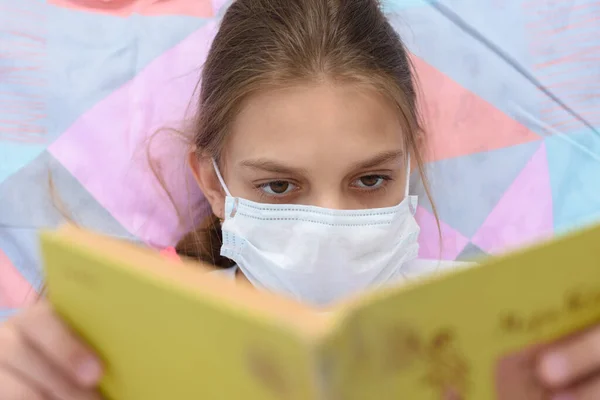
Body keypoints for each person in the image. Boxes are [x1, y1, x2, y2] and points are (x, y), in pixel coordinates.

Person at [0, 0, 598, 398]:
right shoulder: (123, 332)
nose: (329, 225)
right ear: (212, 182)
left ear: (411, 162)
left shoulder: (498, 329)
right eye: (279, 187)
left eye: (370, 180)